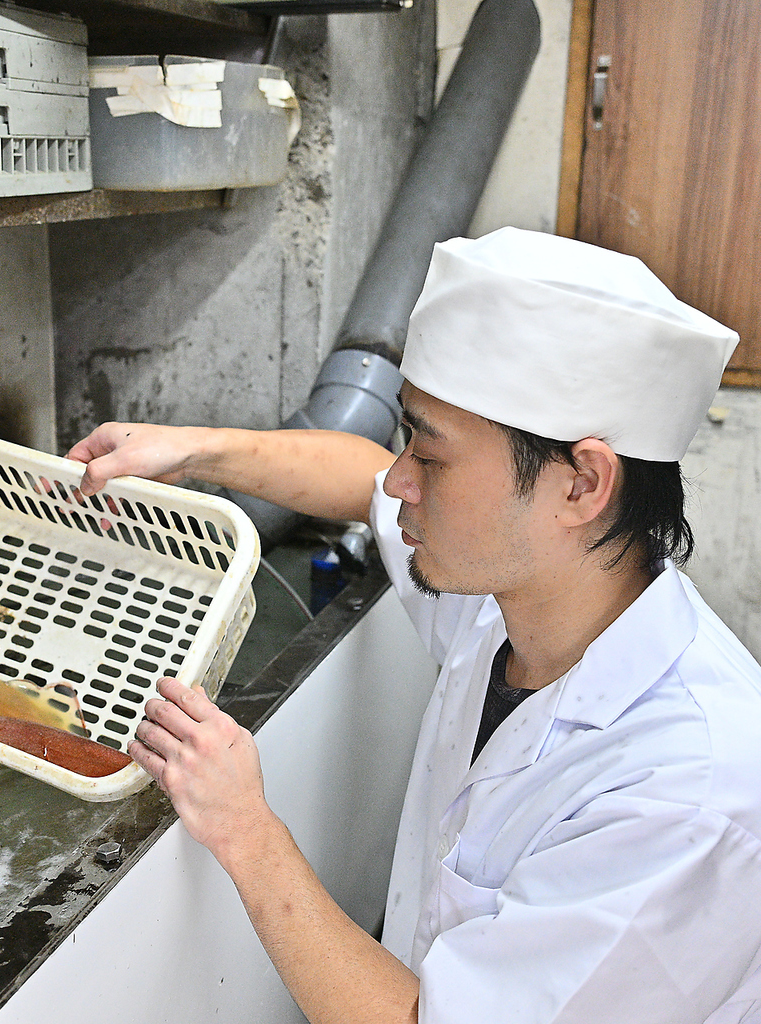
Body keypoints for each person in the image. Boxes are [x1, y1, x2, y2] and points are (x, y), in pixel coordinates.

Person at [67, 227, 761, 1023]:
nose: (400, 479)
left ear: (582, 483)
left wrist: (246, 830)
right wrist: (193, 451)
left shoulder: (691, 795)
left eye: (430, 457)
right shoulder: (520, 592)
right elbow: (355, 480)